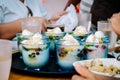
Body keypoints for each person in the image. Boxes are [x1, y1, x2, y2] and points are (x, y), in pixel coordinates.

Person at [0, 0, 67, 39]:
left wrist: (52, 21)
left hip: (41, 51)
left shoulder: (35, 1)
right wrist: (26, 24)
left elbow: (44, 23)